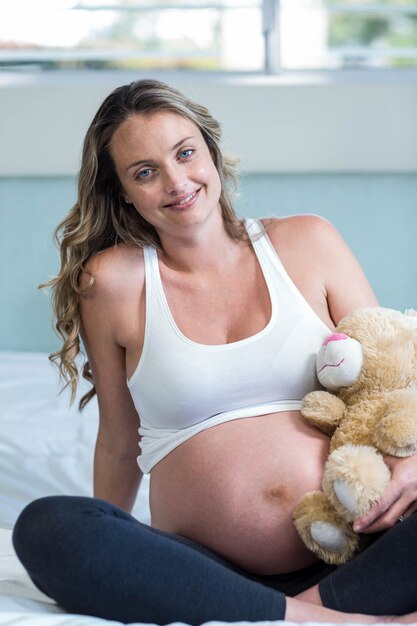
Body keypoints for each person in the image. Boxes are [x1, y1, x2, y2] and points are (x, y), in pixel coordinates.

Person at [12, 79, 417, 625]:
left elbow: (394, 380)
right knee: (47, 527)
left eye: (185, 153)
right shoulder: (113, 284)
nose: (177, 182)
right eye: (145, 171)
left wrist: (410, 463)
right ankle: (332, 621)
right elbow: (117, 438)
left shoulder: (308, 241)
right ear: (123, 191)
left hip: (359, 551)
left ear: (211, 151)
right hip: (204, 571)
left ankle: (302, 614)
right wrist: (117, 538)